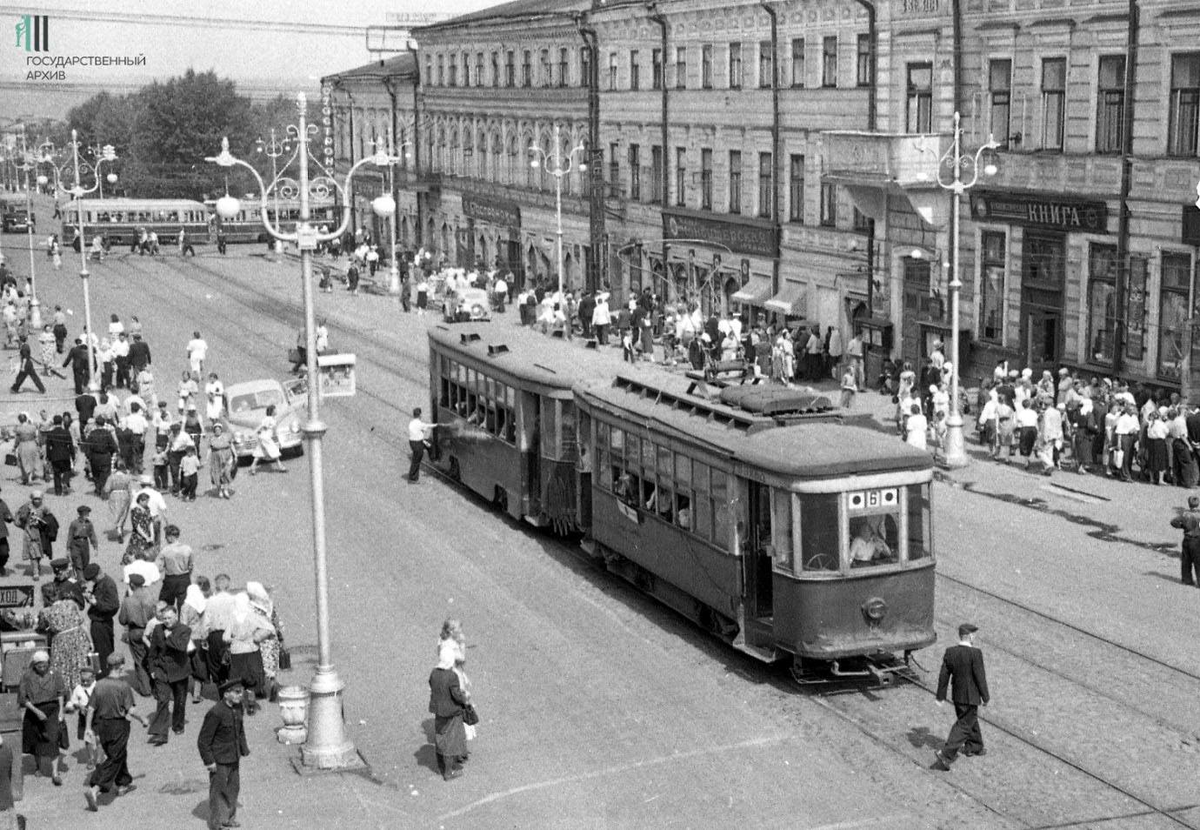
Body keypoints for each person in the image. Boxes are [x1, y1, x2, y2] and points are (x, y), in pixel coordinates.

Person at [84, 654, 148, 812]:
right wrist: (143, 719)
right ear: (120, 667)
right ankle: (95, 789)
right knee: (115, 757)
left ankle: (123, 784)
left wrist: (88, 728)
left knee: (118, 754)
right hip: (118, 726)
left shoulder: (98, 685)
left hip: (102, 726)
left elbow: (90, 709)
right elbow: (130, 710)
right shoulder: (123, 686)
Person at [197, 678, 250, 830]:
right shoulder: (215, 713)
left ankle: (229, 818)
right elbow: (203, 740)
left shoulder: (238, 708)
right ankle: (216, 823)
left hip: (234, 756)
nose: (241, 695)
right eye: (237, 692)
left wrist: (243, 749)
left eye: (241, 692)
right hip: (219, 759)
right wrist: (209, 761)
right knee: (218, 791)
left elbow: (239, 730)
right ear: (226, 694)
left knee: (234, 788)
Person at [18, 650, 67, 784]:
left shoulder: (55, 674)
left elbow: (60, 693)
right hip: (34, 711)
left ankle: (55, 772)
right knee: (36, 740)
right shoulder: (27, 676)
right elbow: (23, 699)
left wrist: (61, 711)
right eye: (39, 666)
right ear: (34, 665)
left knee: (53, 738)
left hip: (52, 710)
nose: (42, 668)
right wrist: (36, 712)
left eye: (45, 666)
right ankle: (38, 766)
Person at [146, 605, 191, 746]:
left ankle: (178, 725)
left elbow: (181, 647)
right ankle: (161, 733)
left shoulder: (184, 630)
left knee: (180, 700)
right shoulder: (158, 629)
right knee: (162, 700)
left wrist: (169, 636)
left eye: (169, 618)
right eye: (164, 618)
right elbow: (153, 651)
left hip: (179, 671)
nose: (167, 621)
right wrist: (152, 669)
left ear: (176, 616)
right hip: (162, 670)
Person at [223, 593, 272, 715]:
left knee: (237, 680)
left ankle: (237, 705)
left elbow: (226, 637)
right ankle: (251, 705)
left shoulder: (232, 617)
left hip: (237, 652)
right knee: (252, 679)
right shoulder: (252, 616)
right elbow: (268, 627)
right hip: (251, 650)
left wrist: (232, 640)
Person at [429, 641, 470, 781]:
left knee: (440, 736)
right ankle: (448, 772)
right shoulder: (451, 676)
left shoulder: (434, 673)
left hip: (438, 710)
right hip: (451, 712)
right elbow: (456, 695)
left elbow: (432, 685)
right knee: (450, 741)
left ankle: (440, 764)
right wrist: (464, 699)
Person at [118, 573, 157, 697]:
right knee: (153, 657)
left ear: (132, 585)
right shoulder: (151, 597)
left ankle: (146, 689)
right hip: (151, 630)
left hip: (136, 631)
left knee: (139, 660)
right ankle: (157, 686)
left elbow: (122, 620)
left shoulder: (128, 601)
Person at [83, 562, 120, 676]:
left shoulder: (108, 584)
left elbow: (113, 605)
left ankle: (105, 675)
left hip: (102, 623)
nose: (92, 582)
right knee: (101, 651)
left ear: (98, 574)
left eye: (93, 579)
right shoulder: (101, 582)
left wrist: (96, 603)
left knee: (104, 652)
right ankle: (103, 674)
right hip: (99, 621)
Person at [180, 579, 210, 705]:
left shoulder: (185, 606)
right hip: (200, 638)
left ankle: (182, 690)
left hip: (188, 639)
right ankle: (197, 693)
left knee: (186, 664)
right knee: (199, 665)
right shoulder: (202, 604)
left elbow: (183, 624)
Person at [16, 491, 57, 581]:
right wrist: (26, 514)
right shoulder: (27, 506)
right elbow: (20, 517)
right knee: (32, 552)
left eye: (39, 499)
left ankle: (37, 564)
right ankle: (35, 571)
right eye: (35, 499)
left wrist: (43, 522)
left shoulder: (45, 508)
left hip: (40, 533)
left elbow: (50, 518)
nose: (37, 501)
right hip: (29, 531)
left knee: (39, 552)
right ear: (32, 499)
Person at [156, 525, 194, 611]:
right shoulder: (187, 549)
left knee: (165, 605)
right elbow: (191, 565)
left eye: (166, 536)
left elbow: (159, 568)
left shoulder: (165, 551)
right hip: (184, 578)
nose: (165, 538)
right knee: (184, 606)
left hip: (170, 579)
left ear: (170, 536)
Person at [247, 404, 287, 475]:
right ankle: (280, 466)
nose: (276, 411)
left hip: (262, 437)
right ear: (272, 411)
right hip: (266, 438)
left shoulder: (269, 419)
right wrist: (277, 442)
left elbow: (264, 428)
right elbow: (262, 427)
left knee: (260, 452)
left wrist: (254, 434)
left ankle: (252, 467)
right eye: (275, 409)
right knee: (274, 450)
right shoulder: (270, 419)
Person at [1170, 495, 1200, 587]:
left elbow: (1173, 522)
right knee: (1198, 561)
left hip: (1187, 538)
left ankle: (1187, 579)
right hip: (1197, 539)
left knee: (1186, 560)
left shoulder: (1184, 514)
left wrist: (1182, 526)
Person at [66, 505, 98, 580]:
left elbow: (92, 535)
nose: (87, 515)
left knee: (85, 562)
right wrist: (68, 549)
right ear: (81, 514)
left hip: (85, 544)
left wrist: (95, 547)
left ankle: (83, 577)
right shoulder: (74, 523)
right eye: (86, 513)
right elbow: (70, 536)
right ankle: (81, 580)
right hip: (75, 544)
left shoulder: (89, 524)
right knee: (77, 562)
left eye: (87, 513)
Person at [103, 461, 133, 539]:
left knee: (116, 512)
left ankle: (118, 528)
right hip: (124, 495)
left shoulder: (111, 477)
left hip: (114, 495)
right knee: (123, 512)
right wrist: (131, 498)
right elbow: (130, 489)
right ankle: (120, 528)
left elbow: (107, 489)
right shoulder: (127, 477)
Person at [124, 493, 156, 564]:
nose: (147, 503)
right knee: (135, 550)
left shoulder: (147, 509)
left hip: (147, 532)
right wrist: (146, 537)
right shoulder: (135, 510)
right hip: (138, 534)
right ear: (140, 501)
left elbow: (150, 521)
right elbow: (137, 526)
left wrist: (152, 534)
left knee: (148, 550)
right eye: (146, 501)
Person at [207, 423, 235, 499]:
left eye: (219, 429)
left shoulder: (226, 437)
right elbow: (209, 449)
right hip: (216, 459)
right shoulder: (212, 439)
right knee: (217, 475)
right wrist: (207, 459)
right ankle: (219, 490)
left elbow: (231, 445)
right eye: (216, 430)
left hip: (226, 457)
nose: (218, 431)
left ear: (221, 430)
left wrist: (235, 455)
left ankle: (226, 490)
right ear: (214, 431)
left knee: (226, 473)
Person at [407, 407, 435, 483]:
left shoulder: (412, 423)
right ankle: (412, 478)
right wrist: (437, 425)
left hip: (414, 442)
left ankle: (433, 458)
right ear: (419, 415)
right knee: (416, 460)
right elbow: (427, 426)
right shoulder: (419, 424)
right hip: (417, 443)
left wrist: (424, 443)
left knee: (429, 445)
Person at [13, 413, 41, 485]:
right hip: (32, 444)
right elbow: (36, 437)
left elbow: (17, 440)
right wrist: (38, 445)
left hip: (23, 445)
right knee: (31, 460)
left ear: (19, 420)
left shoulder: (18, 429)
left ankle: (27, 478)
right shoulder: (33, 427)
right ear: (26, 419)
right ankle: (30, 478)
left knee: (24, 461)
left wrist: (14, 447)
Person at [0, 487, 12, 577]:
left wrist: (9, 517)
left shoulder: (1, 503)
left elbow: (7, 513)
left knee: (4, 553)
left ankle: (0, 565)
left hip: (1, 533)